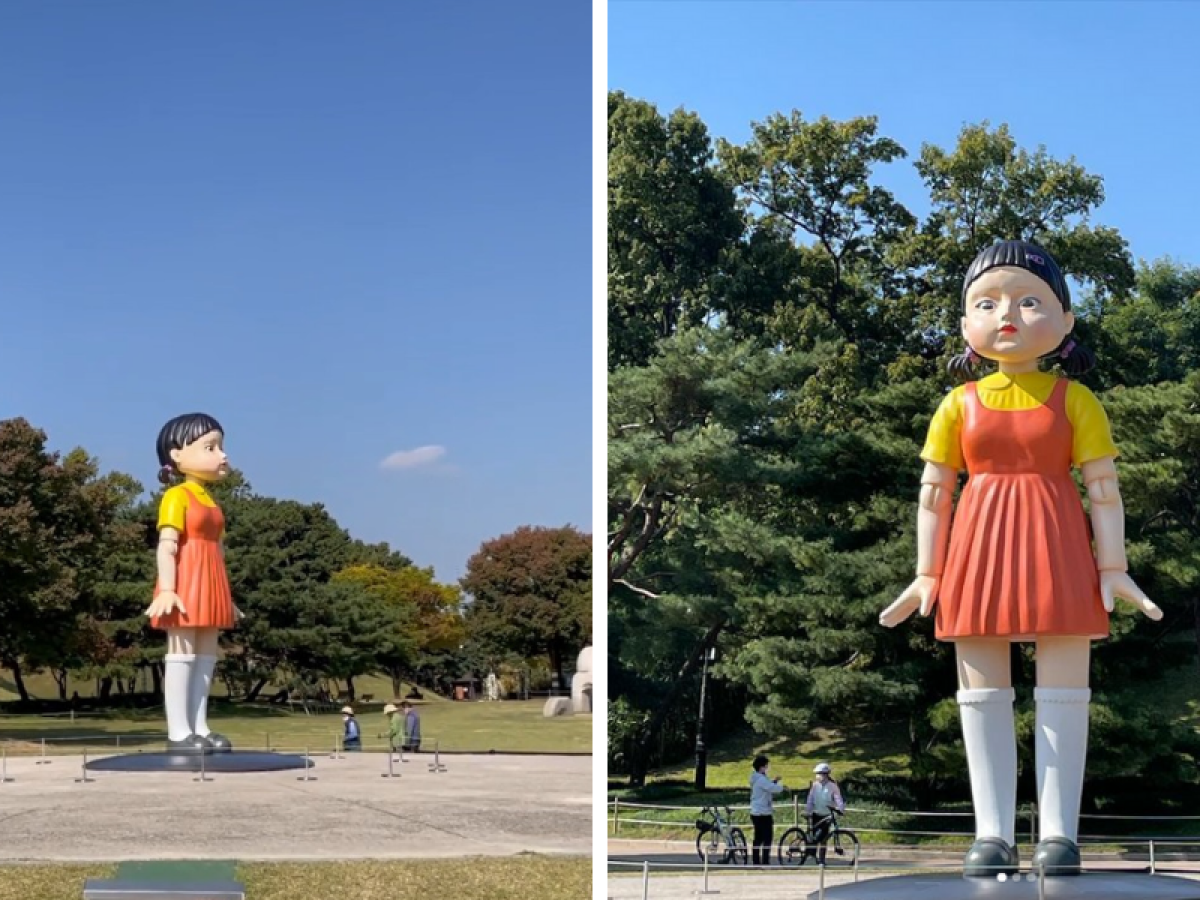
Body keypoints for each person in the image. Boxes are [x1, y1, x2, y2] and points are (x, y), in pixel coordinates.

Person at [881, 241, 1161, 877]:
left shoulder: (1076, 400)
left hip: (1058, 543)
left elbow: (1104, 489)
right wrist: (928, 571)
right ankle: (993, 834)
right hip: (975, 548)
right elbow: (933, 494)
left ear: (1064, 321)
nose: (1006, 314)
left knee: (1065, 689)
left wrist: (1111, 567)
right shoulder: (957, 404)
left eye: (1029, 300)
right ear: (964, 325)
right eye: (987, 302)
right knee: (981, 690)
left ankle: (1059, 834)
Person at [144, 413, 241, 755]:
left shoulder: (212, 502)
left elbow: (220, 549)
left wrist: (227, 596)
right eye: (211, 447)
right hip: (186, 582)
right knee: (181, 653)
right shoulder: (177, 496)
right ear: (176, 455)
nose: (222, 455)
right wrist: (168, 589)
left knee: (205, 656)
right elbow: (168, 545)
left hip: (211, 582)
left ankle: (200, 725)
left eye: (221, 446)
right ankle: (179, 730)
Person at [805, 762, 845, 864]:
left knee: (823, 838)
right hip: (816, 813)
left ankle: (821, 859)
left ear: (826, 774)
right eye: (817, 774)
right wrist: (808, 811)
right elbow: (810, 799)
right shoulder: (815, 786)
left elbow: (838, 798)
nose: (818, 776)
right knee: (814, 836)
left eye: (820, 774)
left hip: (826, 814)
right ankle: (811, 855)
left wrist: (840, 808)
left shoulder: (832, 786)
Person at [748, 754, 785, 866]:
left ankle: (756, 861)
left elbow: (767, 786)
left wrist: (773, 781)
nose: (767, 768)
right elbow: (774, 789)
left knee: (758, 838)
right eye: (766, 766)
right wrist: (780, 784)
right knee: (767, 837)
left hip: (755, 811)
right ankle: (765, 861)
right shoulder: (761, 780)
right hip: (763, 812)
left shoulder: (756, 778)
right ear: (761, 767)